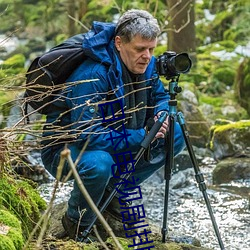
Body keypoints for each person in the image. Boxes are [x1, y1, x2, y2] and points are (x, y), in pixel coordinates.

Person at [41, 9, 185, 241]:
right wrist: (142, 135)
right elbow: (87, 134)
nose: (147, 56)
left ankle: (113, 193)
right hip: (67, 149)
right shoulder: (92, 74)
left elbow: (159, 96)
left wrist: (161, 114)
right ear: (119, 43)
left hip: (118, 136)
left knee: (175, 132)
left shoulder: (145, 64)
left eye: (151, 49)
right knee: (100, 164)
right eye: (140, 49)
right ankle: (76, 222)